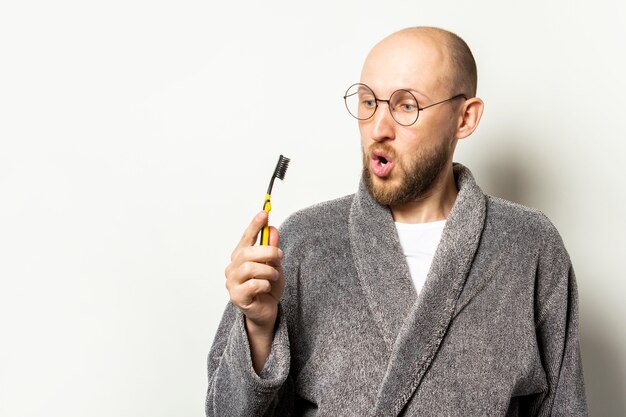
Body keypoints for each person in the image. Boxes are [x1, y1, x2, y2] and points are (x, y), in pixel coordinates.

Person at [205, 26, 588, 416]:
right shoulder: (303, 241)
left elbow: (563, 406)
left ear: (465, 118)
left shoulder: (528, 245)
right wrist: (258, 326)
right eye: (368, 102)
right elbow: (225, 411)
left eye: (407, 106)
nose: (378, 129)